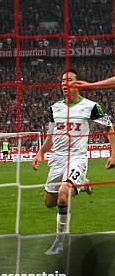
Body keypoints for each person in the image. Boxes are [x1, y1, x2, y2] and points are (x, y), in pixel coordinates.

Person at [32, 70, 115, 255]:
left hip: (77, 157)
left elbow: (110, 127)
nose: (64, 83)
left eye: (69, 80)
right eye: (62, 81)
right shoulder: (54, 108)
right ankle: (83, 184)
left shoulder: (91, 107)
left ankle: (59, 242)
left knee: (63, 195)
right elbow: (51, 136)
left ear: (77, 84)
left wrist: (113, 153)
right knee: (50, 202)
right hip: (57, 159)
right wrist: (40, 153)